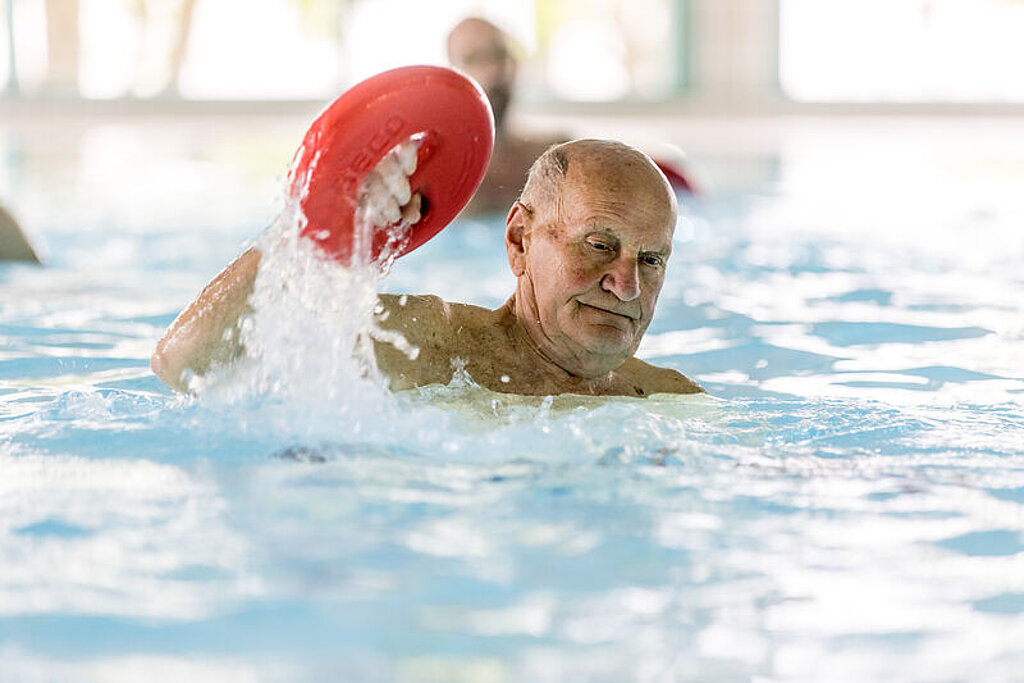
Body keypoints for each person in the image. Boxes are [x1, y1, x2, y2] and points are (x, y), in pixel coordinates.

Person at [151, 139, 703, 398]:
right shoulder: (423, 348)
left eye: (651, 260)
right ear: (518, 240)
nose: (626, 285)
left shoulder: (669, 399)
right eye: (600, 245)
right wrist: (313, 230)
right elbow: (188, 363)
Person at [446, 17, 565, 215]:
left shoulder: (555, 157)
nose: (493, 70)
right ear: (450, 76)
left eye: (500, 55)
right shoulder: (434, 174)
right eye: (474, 58)